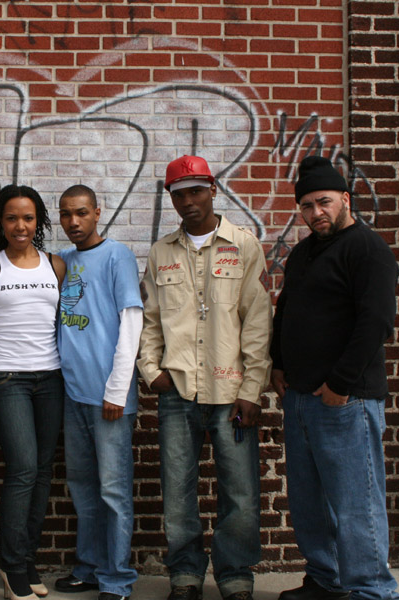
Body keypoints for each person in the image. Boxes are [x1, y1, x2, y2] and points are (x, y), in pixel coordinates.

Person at [137, 155, 272, 600]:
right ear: (170, 197)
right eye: (179, 193)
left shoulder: (244, 245)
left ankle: (234, 577)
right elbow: (150, 319)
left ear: (213, 189)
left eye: (196, 190)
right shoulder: (162, 252)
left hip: (231, 393)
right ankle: (185, 576)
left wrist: (252, 389)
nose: (188, 201)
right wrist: (151, 371)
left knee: (240, 491)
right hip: (178, 392)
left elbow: (256, 320)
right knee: (178, 488)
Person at [271, 156, 399, 600]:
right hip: (302, 398)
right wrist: (278, 362)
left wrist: (341, 384)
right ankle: (327, 580)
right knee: (309, 502)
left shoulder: (367, 249)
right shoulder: (306, 251)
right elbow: (287, 307)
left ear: (345, 198)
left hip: (345, 400)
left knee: (355, 504)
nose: (315, 213)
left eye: (323, 202)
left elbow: (376, 322)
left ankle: (371, 590)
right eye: (306, 206)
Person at [0, 184, 66, 600]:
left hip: (51, 377)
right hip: (7, 377)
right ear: (0, 222)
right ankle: (11, 568)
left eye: (28, 217)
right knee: (24, 469)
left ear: (39, 222)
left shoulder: (56, 266)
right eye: (11, 217)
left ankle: (27, 561)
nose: (20, 225)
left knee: (43, 472)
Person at [50, 186, 142, 600]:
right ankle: (88, 568)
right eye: (66, 215)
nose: (74, 222)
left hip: (109, 397)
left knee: (113, 490)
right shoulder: (63, 261)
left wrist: (118, 390)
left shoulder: (117, 255)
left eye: (82, 213)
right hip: (73, 394)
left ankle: (117, 579)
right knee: (83, 486)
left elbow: (131, 321)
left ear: (98, 213)